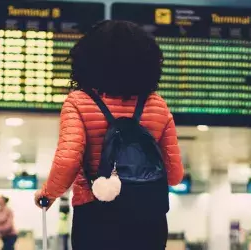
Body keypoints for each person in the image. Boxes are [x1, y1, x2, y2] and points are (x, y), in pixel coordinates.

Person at [33, 20, 184, 250]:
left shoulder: (78, 101)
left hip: (96, 214)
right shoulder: (157, 105)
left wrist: (48, 194)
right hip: (149, 218)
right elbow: (174, 175)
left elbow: (68, 161)